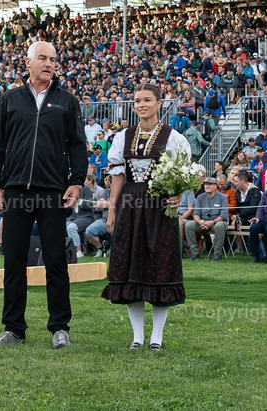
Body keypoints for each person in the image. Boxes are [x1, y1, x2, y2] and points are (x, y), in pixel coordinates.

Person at [0, 42, 89, 349]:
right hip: (16, 190)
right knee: (13, 260)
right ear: (28, 62)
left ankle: (60, 327)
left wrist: (76, 181)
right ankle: (13, 329)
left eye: (53, 59)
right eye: (42, 58)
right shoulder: (10, 99)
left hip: (53, 191)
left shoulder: (66, 101)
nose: (49, 63)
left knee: (56, 259)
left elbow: (77, 145)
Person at [102, 83, 191, 351]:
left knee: (159, 267)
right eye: (137, 100)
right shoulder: (123, 137)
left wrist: (177, 194)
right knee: (132, 268)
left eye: (147, 100)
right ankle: (137, 336)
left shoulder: (173, 137)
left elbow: (187, 173)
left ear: (158, 103)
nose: (141, 105)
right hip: (130, 207)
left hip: (159, 209)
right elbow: (118, 176)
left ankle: (157, 337)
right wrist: (112, 209)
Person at [185, 177, 229, 261]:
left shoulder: (222, 197)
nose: (207, 186)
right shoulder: (200, 197)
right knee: (189, 225)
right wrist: (200, 221)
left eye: (209, 184)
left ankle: (217, 254)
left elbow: (224, 215)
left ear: (215, 186)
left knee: (219, 226)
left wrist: (212, 222)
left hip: (217, 222)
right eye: (205, 184)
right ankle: (194, 252)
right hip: (203, 223)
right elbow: (196, 214)